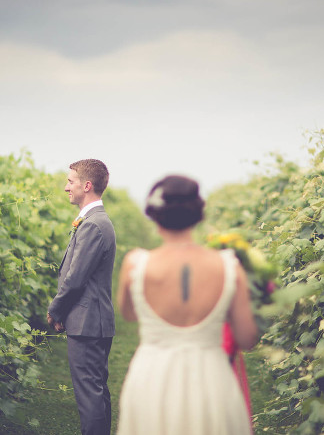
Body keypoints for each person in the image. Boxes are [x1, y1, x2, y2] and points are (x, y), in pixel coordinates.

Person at [116, 175, 259, 435]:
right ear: (198, 215)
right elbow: (247, 339)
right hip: (211, 378)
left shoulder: (135, 264)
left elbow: (128, 313)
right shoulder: (229, 266)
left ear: (154, 215)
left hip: (152, 377)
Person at [47, 159, 116, 435]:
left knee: (89, 395)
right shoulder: (95, 221)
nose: (66, 187)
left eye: (70, 181)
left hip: (87, 322)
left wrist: (57, 310)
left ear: (87, 186)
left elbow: (75, 279)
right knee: (96, 392)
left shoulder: (93, 225)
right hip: (93, 320)